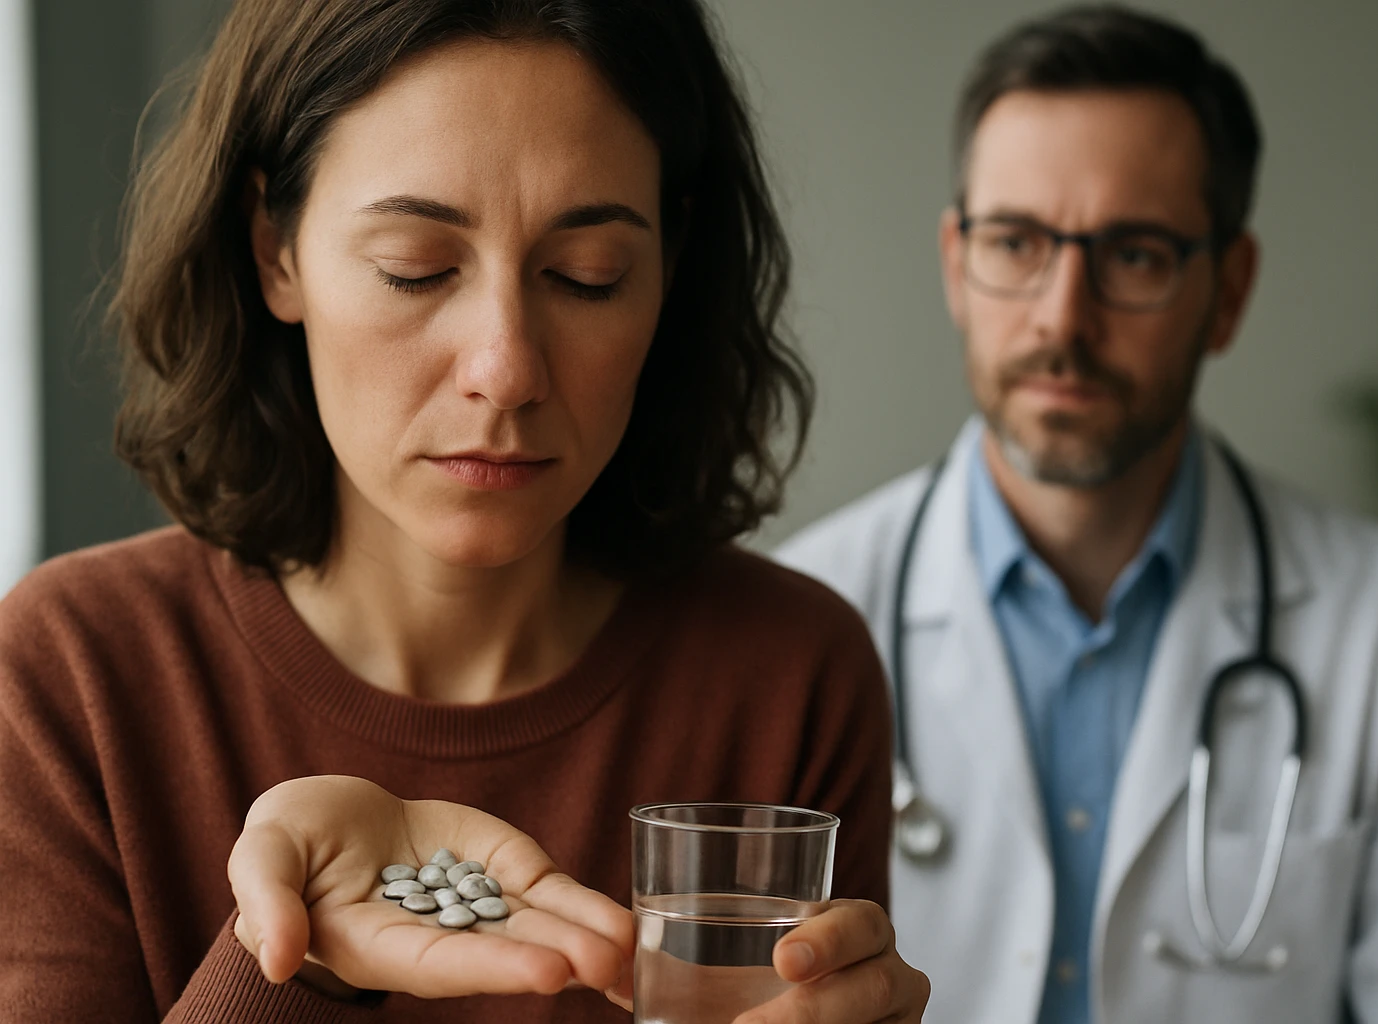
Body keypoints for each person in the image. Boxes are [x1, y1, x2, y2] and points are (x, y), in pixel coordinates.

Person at [0, 1, 931, 1021]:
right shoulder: (69, 674)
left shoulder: (788, 672)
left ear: (670, 263)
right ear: (276, 250)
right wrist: (294, 959)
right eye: (416, 267)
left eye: (588, 277)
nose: (505, 370)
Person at [777, 6, 1378, 1023]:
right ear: (958, 266)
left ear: (1229, 289)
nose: (1061, 315)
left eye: (1132, 254)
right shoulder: (807, 612)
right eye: (1016, 242)